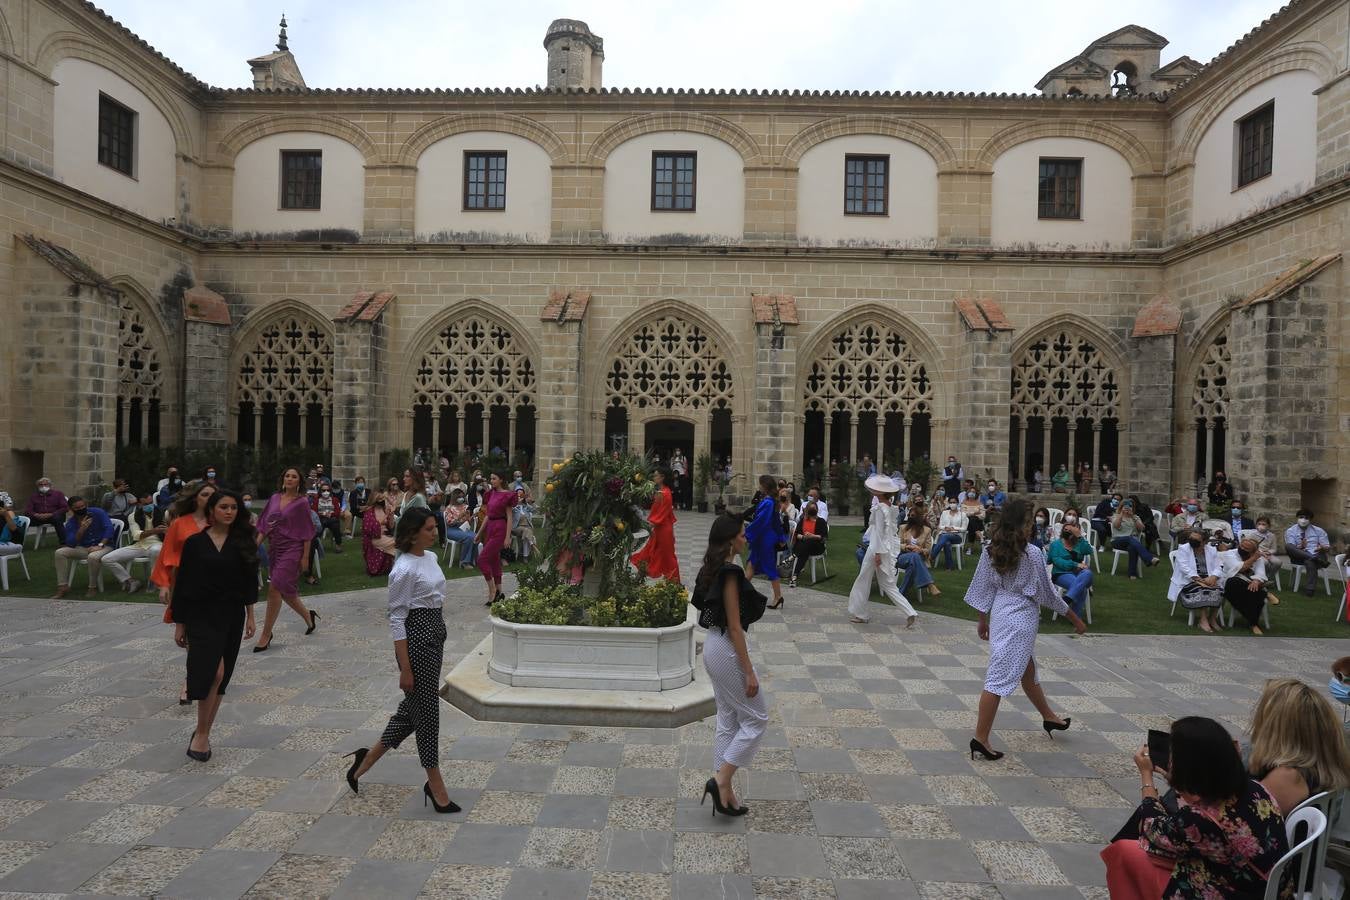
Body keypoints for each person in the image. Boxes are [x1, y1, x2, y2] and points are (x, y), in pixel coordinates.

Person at [343, 508, 460, 814]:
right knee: (428, 715)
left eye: (435, 527)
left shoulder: (431, 559)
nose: (435, 533)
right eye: (429, 529)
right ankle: (435, 786)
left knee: (413, 709)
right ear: (412, 533)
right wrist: (405, 667)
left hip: (436, 633)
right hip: (417, 640)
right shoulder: (403, 569)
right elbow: (396, 618)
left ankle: (364, 762)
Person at [1100, 716, 1289, 900]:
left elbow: (1151, 829)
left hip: (1233, 891)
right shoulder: (1255, 788)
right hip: (1271, 889)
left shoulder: (1198, 819)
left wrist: (1146, 776)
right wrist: (1179, 780)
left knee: (1125, 851)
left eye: (1173, 755)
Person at [965, 498, 1085, 761]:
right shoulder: (1031, 553)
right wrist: (1074, 618)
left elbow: (982, 587)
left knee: (1026, 669)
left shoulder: (990, 548)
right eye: (1030, 522)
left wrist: (982, 619)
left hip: (1001, 613)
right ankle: (980, 738)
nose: (1033, 526)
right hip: (1021, 618)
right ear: (1021, 524)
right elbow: (1049, 593)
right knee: (997, 678)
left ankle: (1049, 717)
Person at [172, 491, 259, 762]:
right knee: (214, 672)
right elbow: (183, 584)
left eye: (234, 507)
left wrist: (251, 615)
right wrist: (180, 623)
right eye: (223, 507)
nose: (229, 511)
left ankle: (204, 733)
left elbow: (248, 582)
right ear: (212, 510)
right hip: (200, 613)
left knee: (223, 677)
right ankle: (201, 732)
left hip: (232, 614)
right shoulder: (195, 543)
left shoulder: (243, 542)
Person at [692, 514, 767, 817]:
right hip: (725, 648)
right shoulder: (730, 572)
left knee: (727, 717)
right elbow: (735, 627)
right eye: (742, 534)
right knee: (757, 718)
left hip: (713, 645)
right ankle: (721, 779)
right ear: (731, 539)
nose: (745, 538)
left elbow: (724, 608)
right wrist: (748, 670)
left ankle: (725, 792)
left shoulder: (716, 569)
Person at [253, 467, 318, 652]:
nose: (290, 479)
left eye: (294, 476)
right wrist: (255, 546)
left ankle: (266, 634)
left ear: (299, 482)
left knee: (275, 587)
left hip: (293, 548)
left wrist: (305, 558)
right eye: (287, 476)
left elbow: (307, 532)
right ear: (283, 479)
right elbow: (265, 525)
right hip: (276, 549)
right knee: (286, 590)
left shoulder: (302, 503)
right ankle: (308, 616)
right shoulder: (274, 498)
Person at [847, 474, 917, 628]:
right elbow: (889, 531)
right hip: (886, 547)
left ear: (879, 492)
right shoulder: (892, 507)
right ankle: (909, 611)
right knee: (888, 584)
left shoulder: (880, 508)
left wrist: (877, 554)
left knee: (863, 580)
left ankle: (861, 614)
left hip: (876, 548)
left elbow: (879, 532)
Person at [50, 496, 116, 599]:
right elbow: (71, 543)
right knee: (59, 552)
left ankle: (92, 587)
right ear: (71, 509)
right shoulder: (71, 523)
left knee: (93, 557)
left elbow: (109, 529)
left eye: (83, 506)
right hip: (84, 548)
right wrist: (81, 529)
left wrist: (100, 545)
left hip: (105, 546)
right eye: (77, 508)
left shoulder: (98, 512)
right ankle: (62, 586)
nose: (81, 509)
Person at [101, 491, 166, 593]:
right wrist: (155, 530)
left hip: (157, 543)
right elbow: (136, 535)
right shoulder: (133, 516)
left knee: (155, 550)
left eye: (151, 503)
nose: (149, 506)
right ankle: (130, 581)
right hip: (138, 545)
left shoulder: (162, 513)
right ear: (139, 504)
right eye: (146, 504)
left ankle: (154, 580)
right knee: (107, 558)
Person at [1168, 528, 1224, 633]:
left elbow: (1219, 565)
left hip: (1208, 578)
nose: (1192, 541)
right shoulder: (1183, 549)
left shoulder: (1211, 550)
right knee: (1202, 590)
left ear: (1204, 542)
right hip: (1189, 580)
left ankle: (1212, 619)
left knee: (1219, 590)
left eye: (1196, 540)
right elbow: (1185, 569)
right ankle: (1203, 620)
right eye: (1191, 538)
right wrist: (1201, 581)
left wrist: (1213, 577)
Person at [743, 475, 786, 611]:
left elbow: (761, 521)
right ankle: (739, 592)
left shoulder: (768, 502)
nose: (759, 486)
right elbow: (776, 522)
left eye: (761, 484)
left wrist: (747, 533)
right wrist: (780, 538)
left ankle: (778, 597)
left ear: (765, 486)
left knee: (769, 568)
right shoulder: (769, 501)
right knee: (751, 564)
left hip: (764, 540)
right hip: (762, 538)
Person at [475, 472, 517, 607]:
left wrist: (507, 536)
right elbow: (487, 515)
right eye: (491, 478)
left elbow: (509, 517)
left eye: (494, 479)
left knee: (482, 559)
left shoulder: (507, 495)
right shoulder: (490, 494)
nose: (491, 481)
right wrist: (479, 532)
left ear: (501, 480)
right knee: (494, 560)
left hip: (500, 528)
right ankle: (500, 591)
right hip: (490, 528)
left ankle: (492, 590)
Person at [631, 469, 680, 583]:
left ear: (662, 477)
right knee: (648, 553)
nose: (653, 477)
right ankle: (639, 578)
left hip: (663, 530)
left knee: (668, 557)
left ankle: (675, 583)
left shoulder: (665, 493)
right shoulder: (661, 491)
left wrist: (647, 525)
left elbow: (661, 515)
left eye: (656, 475)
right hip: (659, 529)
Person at [1219, 536, 1274, 635]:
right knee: (1237, 582)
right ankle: (1254, 622)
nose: (1243, 549)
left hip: (1249, 586)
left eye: (1246, 549)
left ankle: (1253, 623)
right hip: (1231, 584)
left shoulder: (1258, 558)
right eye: (1242, 546)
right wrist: (1253, 559)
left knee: (1254, 591)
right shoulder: (1230, 554)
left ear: (1253, 551)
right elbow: (1240, 568)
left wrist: (1257, 580)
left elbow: (1260, 573)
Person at [1046, 521, 1094, 617]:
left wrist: (1080, 537)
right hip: (1061, 573)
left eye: (1071, 530)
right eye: (1066, 529)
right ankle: (1075, 617)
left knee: (1088, 573)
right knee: (1082, 588)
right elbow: (1057, 561)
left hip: (1080, 574)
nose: (1068, 531)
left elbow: (1089, 550)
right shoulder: (1056, 544)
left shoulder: (1079, 543)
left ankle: (1066, 600)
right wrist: (1076, 564)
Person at [1284, 508, 1330, 597]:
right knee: (1288, 546)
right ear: (1297, 518)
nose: (1303, 520)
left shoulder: (1319, 531)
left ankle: (1310, 590)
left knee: (1309, 561)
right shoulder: (1291, 531)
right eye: (1301, 517)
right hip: (1299, 556)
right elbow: (1291, 547)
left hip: (1317, 554)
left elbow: (1327, 548)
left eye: (1306, 518)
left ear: (1310, 520)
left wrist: (1321, 548)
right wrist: (1301, 546)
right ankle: (1312, 558)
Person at [1111, 498, 1159, 579]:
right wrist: (1122, 515)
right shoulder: (1116, 516)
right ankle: (1149, 559)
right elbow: (1116, 525)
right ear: (1121, 507)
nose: (1127, 508)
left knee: (1132, 547)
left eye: (1130, 506)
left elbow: (1142, 528)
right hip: (1118, 541)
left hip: (1132, 541)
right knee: (1130, 539)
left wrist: (1133, 517)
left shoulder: (1135, 517)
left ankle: (1132, 573)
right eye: (1125, 506)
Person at [897, 510, 940, 601]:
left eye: (913, 515)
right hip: (903, 557)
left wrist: (920, 550)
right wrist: (906, 547)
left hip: (919, 557)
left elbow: (928, 550)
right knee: (914, 557)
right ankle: (929, 584)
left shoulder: (926, 530)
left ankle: (900, 594)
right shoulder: (903, 527)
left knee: (913, 564)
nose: (911, 517)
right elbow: (896, 544)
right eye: (910, 515)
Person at [787, 502, 827, 588]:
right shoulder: (803, 520)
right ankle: (794, 576)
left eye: (814, 509)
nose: (812, 511)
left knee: (809, 542)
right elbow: (796, 534)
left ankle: (793, 558)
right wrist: (802, 536)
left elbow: (823, 537)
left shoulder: (821, 521)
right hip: (803, 546)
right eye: (811, 509)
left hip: (816, 546)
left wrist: (813, 536)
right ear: (807, 510)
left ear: (817, 510)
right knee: (804, 550)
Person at [361, 491, 396, 577]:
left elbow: (391, 527)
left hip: (384, 536)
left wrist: (391, 515)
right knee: (398, 544)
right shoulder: (369, 512)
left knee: (398, 544)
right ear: (374, 500)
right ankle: (398, 569)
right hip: (374, 538)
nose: (381, 500)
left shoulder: (384, 509)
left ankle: (396, 568)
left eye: (382, 499)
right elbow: (370, 529)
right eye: (379, 499)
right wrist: (385, 516)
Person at [1242, 516, 1283, 585]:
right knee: (1265, 562)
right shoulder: (1252, 534)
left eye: (1263, 524)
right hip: (1256, 553)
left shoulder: (1271, 536)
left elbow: (1274, 548)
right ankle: (1259, 577)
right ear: (1256, 525)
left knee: (1278, 562)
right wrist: (1261, 553)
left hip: (1268, 553)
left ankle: (1267, 577)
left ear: (1268, 526)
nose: (1261, 526)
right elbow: (1250, 546)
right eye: (1259, 524)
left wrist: (1269, 552)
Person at [442, 490, 477, 568]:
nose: (461, 498)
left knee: (476, 536)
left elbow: (467, 522)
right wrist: (459, 516)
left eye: (462, 497)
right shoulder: (449, 508)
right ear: (455, 497)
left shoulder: (465, 506)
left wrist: (470, 517)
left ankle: (472, 560)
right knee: (469, 537)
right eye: (459, 497)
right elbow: (449, 522)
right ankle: (464, 562)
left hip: (463, 528)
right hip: (452, 529)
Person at [930, 497, 967, 570]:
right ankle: (949, 566)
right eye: (951, 502)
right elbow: (940, 525)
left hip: (957, 536)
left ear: (957, 503)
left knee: (944, 537)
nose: (952, 504)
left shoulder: (962, 514)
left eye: (954, 502)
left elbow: (964, 528)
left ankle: (931, 556)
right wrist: (945, 528)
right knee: (946, 542)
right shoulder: (944, 513)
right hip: (944, 534)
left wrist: (953, 528)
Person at [312, 483, 344, 553]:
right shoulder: (316, 500)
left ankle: (338, 544)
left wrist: (330, 514)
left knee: (335, 525)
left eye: (328, 490)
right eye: (323, 490)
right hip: (321, 519)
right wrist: (323, 514)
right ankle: (316, 545)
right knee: (318, 526)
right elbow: (314, 512)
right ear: (320, 491)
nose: (326, 492)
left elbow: (338, 512)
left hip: (332, 519)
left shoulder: (334, 500)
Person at [511, 488, 537, 561]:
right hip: (517, 528)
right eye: (518, 494)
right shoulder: (513, 507)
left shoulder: (526, 507)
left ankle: (525, 557)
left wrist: (532, 502)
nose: (519, 496)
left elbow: (536, 510)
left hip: (527, 528)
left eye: (521, 494)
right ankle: (532, 546)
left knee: (526, 534)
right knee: (526, 531)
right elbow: (509, 509)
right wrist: (516, 502)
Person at [960, 481, 985, 554]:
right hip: (966, 523)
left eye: (973, 492)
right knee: (971, 520)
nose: (972, 493)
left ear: (976, 494)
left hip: (977, 522)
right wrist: (975, 513)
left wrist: (971, 514)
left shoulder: (979, 504)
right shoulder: (964, 503)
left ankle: (970, 549)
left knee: (972, 521)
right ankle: (980, 536)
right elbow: (963, 514)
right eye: (970, 491)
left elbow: (983, 516)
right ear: (967, 493)